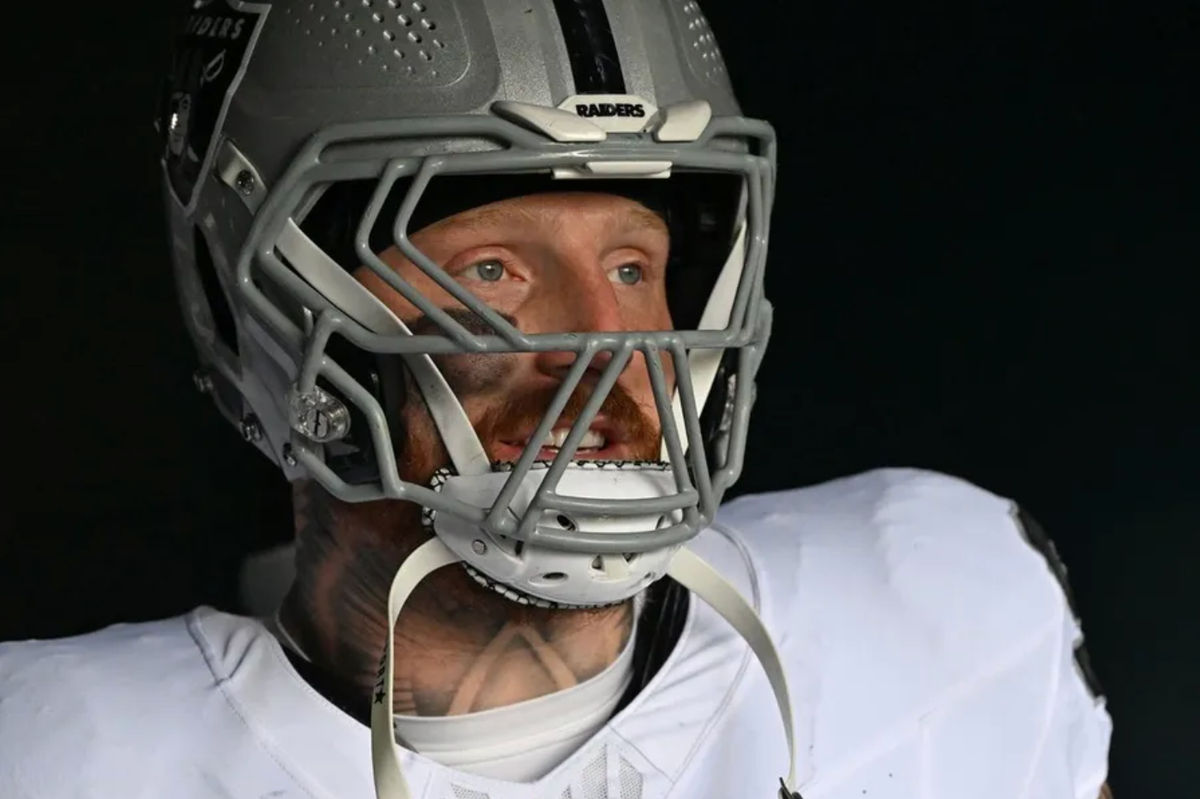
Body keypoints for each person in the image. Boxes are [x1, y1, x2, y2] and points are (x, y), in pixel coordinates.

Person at [0, 1, 1112, 797]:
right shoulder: (57, 753)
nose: (612, 345)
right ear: (272, 307)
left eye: (635, 267)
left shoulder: (942, 613)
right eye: (494, 272)